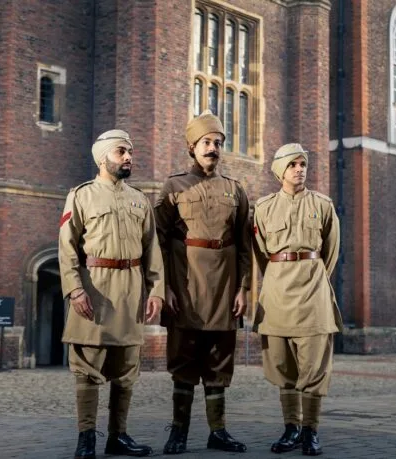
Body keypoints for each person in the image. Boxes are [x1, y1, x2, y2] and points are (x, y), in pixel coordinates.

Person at [59, 129, 165, 459]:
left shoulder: (139, 200)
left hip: (131, 290)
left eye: (130, 152)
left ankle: (118, 436)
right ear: (103, 156)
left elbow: (152, 249)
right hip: (94, 288)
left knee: (126, 370)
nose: (129, 157)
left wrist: (156, 291)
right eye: (121, 152)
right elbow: (67, 248)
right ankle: (86, 438)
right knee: (87, 369)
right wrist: (74, 289)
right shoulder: (81, 196)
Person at [154, 111, 251, 454]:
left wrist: (243, 289)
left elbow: (244, 246)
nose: (213, 149)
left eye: (218, 143)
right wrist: (163, 286)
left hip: (224, 287)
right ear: (192, 147)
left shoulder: (235, 190)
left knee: (219, 359)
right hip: (185, 287)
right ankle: (178, 431)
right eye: (207, 143)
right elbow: (159, 241)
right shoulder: (174, 186)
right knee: (184, 358)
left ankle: (218, 431)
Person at [251, 143, 341, 456]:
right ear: (280, 171)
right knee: (282, 365)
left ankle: (310, 432)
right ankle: (291, 428)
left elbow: (330, 252)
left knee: (314, 366)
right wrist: (277, 276)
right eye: (292, 165)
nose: (299, 170)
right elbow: (261, 253)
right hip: (277, 293)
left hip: (313, 292)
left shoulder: (323, 204)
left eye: (303, 164)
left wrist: (313, 274)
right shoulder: (263, 208)